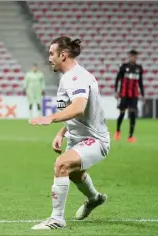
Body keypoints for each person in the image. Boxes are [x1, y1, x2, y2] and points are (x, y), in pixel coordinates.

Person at [29, 36, 110, 230]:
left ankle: (57, 219)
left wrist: (51, 118)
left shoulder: (76, 77)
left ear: (63, 55)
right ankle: (94, 198)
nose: (49, 58)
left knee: (62, 164)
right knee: (74, 174)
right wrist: (61, 132)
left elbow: (79, 107)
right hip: (78, 138)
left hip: (94, 140)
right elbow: (77, 112)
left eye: (51, 53)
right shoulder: (70, 77)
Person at [114, 50, 145, 142]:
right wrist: (116, 91)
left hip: (134, 95)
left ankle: (130, 136)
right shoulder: (123, 67)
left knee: (132, 115)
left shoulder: (139, 68)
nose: (133, 58)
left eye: (134, 56)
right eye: (131, 56)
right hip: (124, 94)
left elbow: (140, 83)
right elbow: (117, 79)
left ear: (136, 57)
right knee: (122, 114)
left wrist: (143, 95)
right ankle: (118, 131)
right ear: (129, 56)